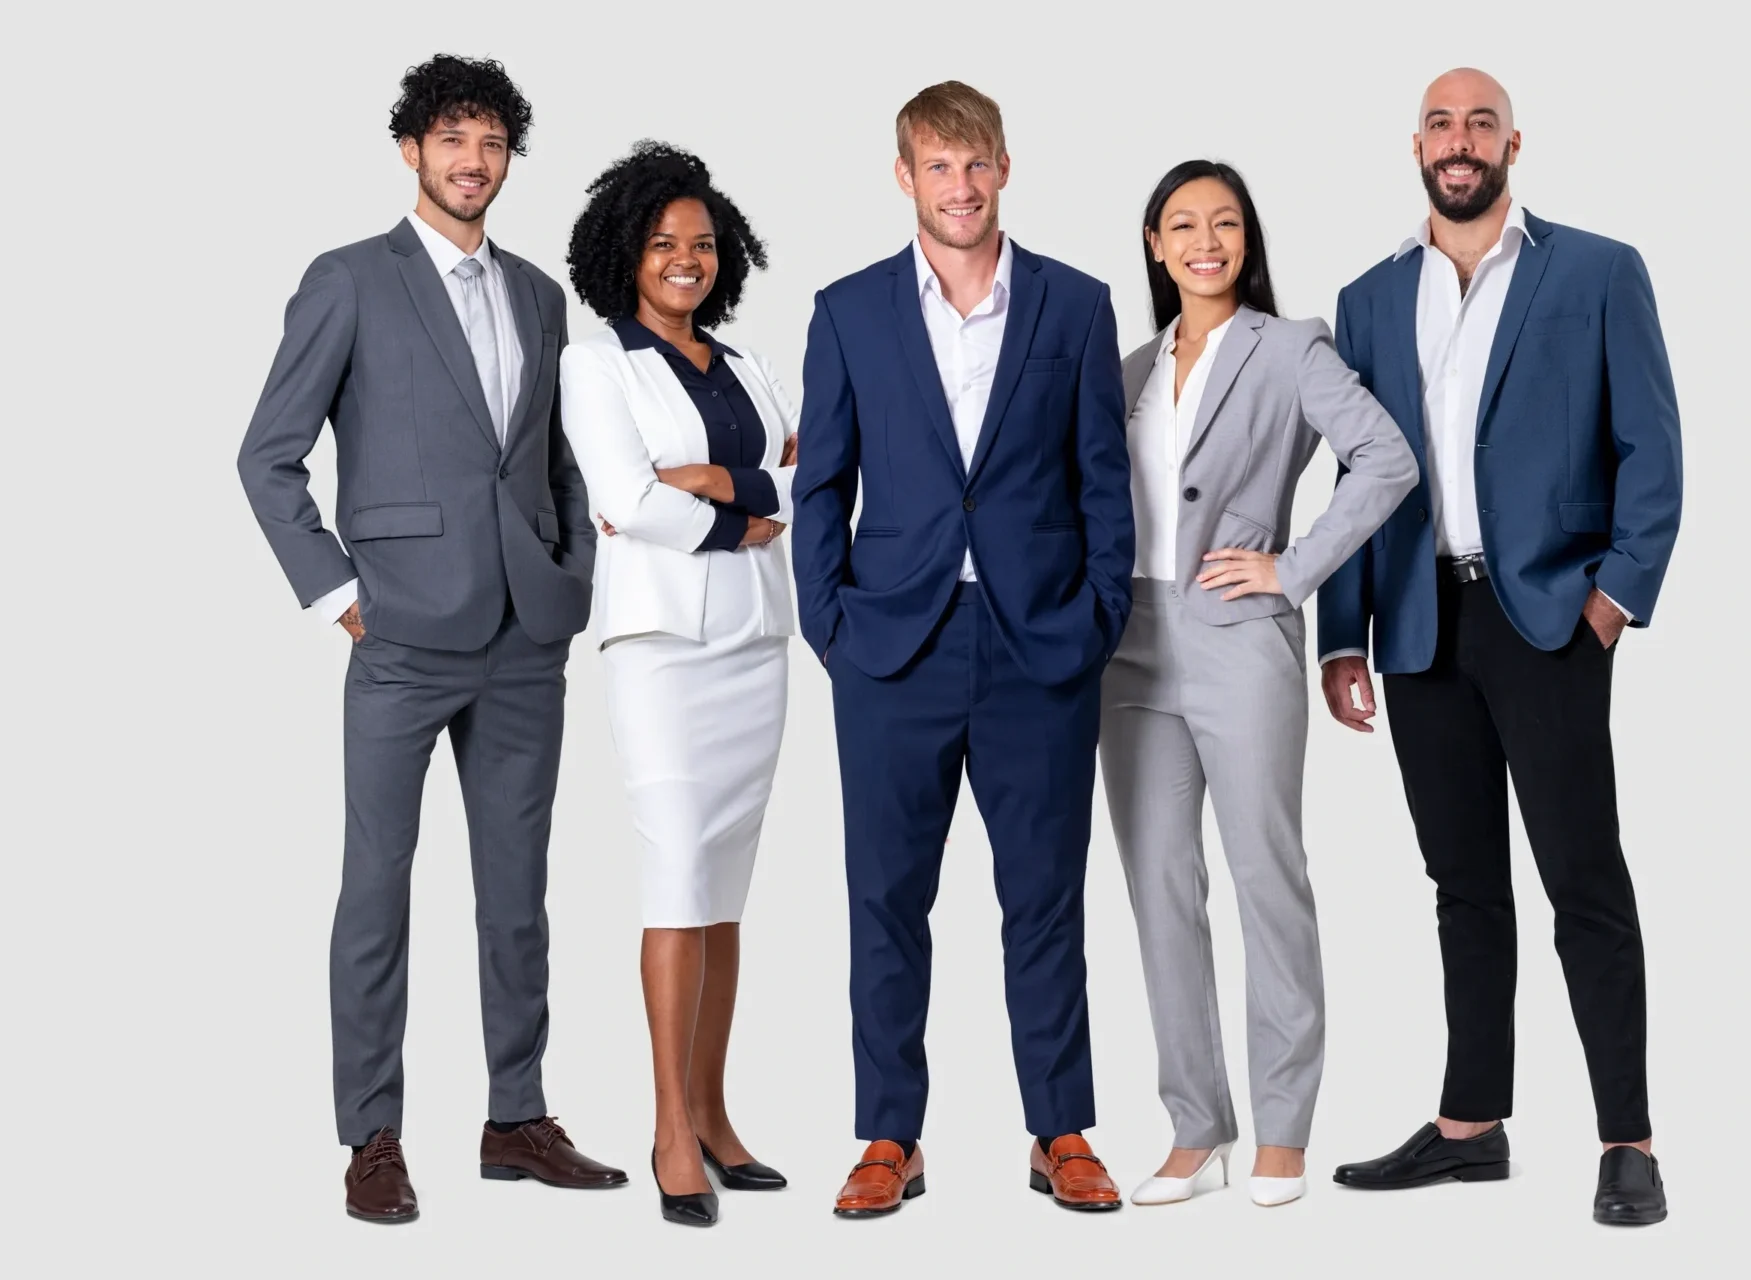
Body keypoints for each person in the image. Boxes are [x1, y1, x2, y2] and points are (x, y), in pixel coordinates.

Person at [236, 54, 627, 1224]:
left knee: (518, 893)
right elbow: (268, 455)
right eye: (453, 139)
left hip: (525, 638)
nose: (474, 161)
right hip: (401, 634)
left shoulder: (541, 296)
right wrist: (334, 593)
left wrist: (572, 574)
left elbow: (555, 461)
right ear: (411, 149)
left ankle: (516, 1116)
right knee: (376, 888)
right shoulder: (351, 279)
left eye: (493, 142)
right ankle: (372, 1134)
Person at [1318, 68, 1682, 1226]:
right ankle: (1471, 1125)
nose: (1460, 140)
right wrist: (1343, 632)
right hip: (1420, 623)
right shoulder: (1369, 298)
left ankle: (1628, 1140)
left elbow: (1653, 449)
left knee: (1584, 878)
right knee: (1461, 883)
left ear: (1513, 144)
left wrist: (1612, 600)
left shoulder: (1597, 271)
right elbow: (1355, 477)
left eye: (1481, 122)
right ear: (1416, 146)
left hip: (1549, 618)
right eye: (1441, 122)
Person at [791, 80, 1134, 1216]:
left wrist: (1097, 618)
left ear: (1005, 167)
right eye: (938, 165)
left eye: (977, 162)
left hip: (1043, 645)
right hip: (892, 646)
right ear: (905, 177)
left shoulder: (1076, 305)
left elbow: (1103, 481)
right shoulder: (848, 311)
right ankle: (890, 1134)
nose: (961, 185)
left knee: (1045, 897)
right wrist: (832, 627)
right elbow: (822, 483)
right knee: (886, 899)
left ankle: (1060, 1128)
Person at [1105, 161, 1417, 1209]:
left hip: (1239, 638)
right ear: (1156, 245)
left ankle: (1284, 1127)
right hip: (1130, 645)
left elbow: (1385, 458)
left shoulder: (1289, 348)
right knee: (1159, 885)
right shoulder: (1131, 367)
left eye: (1226, 223)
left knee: (1265, 877)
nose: (1207, 241)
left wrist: (1293, 568)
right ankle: (1197, 1127)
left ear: (1247, 239)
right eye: (1184, 225)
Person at [559, 141, 794, 1228]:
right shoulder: (597, 365)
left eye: (702, 243)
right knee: (675, 873)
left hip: (756, 642)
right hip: (661, 648)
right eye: (663, 244)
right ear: (628, 254)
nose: (686, 260)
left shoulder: (747, 364)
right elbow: (626, 499)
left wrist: (720, 480)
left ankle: (713, 1110)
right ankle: (667, 1127)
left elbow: (811, 471)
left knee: (726, 887)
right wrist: (743, 516)